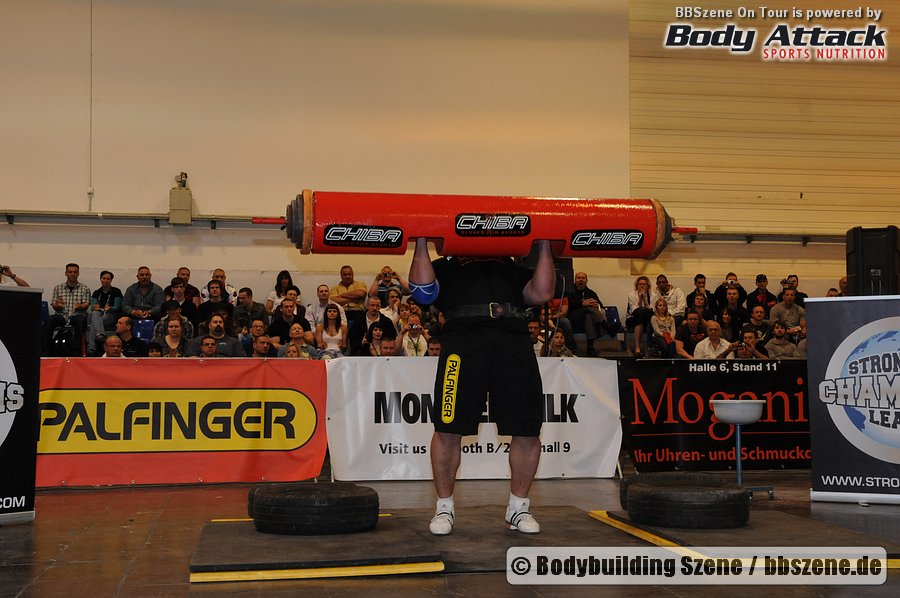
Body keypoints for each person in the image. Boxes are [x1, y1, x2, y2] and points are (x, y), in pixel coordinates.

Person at [409, 238, 555, 536]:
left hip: (513, 341)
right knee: (447, 427)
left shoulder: (511, 267)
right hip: (462, 344)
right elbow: (422, 292)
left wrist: (545, 242)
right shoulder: (445, 266)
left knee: (527, 428)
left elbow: (542, 292)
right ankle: (444, 508)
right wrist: (422, 238)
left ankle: (519, 507)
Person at [47, 263, 92, 355]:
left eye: (75, 272)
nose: (72, 274)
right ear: (66, 273)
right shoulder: (58, 288)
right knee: (50, 320)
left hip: (76, 315)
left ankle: (76, 350)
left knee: (81, 320)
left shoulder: (85, 289)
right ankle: (46, 350)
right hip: (61, 315)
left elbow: (86, 304)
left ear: (78, 273)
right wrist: (57, 305)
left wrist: (80, 306)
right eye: (70, 272)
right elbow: (54, 304)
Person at [566, 272, 609, 357]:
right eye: (579, 278)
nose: (581, 280)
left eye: (583, 278)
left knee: (588, 316)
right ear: (575, 280)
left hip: (587, 321)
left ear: (586, 280)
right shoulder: (570, 292)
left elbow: (600, 305)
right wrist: (582, 304)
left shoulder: (591, 293)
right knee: (587, 309)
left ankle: (590, 347)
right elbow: (569, 305)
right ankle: (605, 325)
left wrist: (597, 305)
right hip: (573, 318)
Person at [87, 270, 122, 353]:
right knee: (94, 315)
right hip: (99, 315)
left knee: (93, 323)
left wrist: (110, 308)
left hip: (111, 315)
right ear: (100, 279)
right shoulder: (96, 292)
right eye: (104, 278)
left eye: (108, 279)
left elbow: (117, 307)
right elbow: (94, 307)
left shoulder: (116, 291)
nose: (105, 280)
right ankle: (99, 335)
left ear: (111, 280)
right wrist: (97, 308)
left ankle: (91, 348)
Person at [330, 265, 368, 332]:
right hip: (341, 312)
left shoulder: (360, 284)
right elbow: (333, 300)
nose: (347, 276)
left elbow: (361, 294)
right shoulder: (334, 288)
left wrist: (342, 295)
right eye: (345, 275)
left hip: (358, 311)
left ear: (353, 275)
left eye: (349, 274)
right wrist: (353, 298)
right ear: (341, 276)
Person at [625, 276, 653, 357]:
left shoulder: (653, 295)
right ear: (637, 285)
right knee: (640, 318)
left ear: (647, 285)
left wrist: (645, 300)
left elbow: (652, 310)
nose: (642, 286)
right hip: (633, 318)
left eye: (644, 284)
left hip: (647, 318)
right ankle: (637, 346)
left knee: (646, 318)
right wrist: (640, 299)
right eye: (640, 284)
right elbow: (635, 310)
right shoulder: (631, 295)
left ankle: (643, 347)